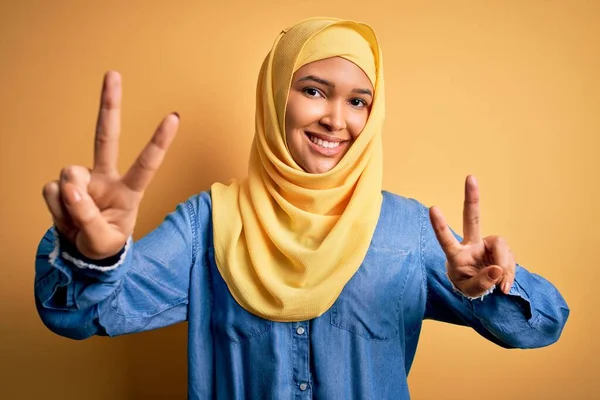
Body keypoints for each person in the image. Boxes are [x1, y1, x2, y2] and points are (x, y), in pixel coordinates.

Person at [35, 17, 569, 399]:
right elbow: (86, 316)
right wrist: (97, 259)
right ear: (274, 98)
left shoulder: (409, 232)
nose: (337, 120)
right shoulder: (210, 226)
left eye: (358, 101)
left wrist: (486, 290)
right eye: (314, 91)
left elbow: (541, 326)